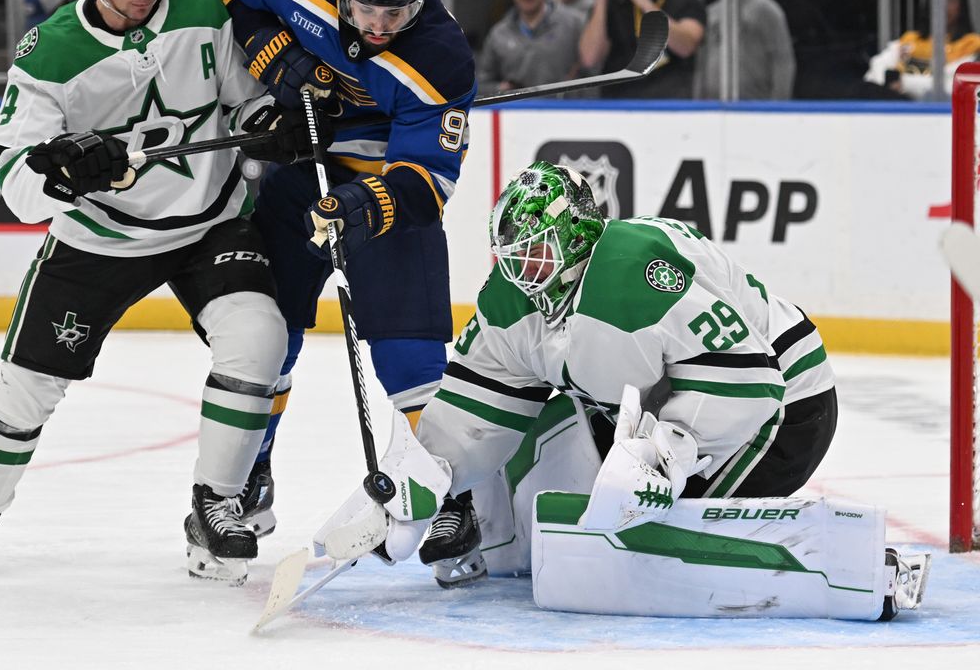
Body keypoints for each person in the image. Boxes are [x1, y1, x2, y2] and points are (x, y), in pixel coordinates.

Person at [0, 0, 310, 586]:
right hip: (102, 238)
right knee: (25, 387)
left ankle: (216, 504)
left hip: (210, 221)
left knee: (259, 337)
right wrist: (62, 172)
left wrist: (268, 121)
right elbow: (17, 185)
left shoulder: (204, 3)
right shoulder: (51, 52)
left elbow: (242, 97)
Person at [318, 161, 929, 620]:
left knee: (634, 541)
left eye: (537, 256)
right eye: (513, 260)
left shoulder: (635, 271)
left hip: (782, 407)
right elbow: (479, 409)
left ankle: (853, 570)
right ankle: (488, 529)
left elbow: (749, 383)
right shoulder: (511, 301)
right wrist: (419, 482)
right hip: (652, 404)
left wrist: (666, 456)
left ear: (578, 236)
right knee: (548, 512)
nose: (524, 276)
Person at [215, 0, 476, 537]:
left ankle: (453, 499)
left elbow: (427, 182)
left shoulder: (441, 57)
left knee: (410, 356)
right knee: (265, 331)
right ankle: (251, 472)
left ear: (418, 1)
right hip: (301, 169)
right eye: (364, 9)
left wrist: (364, 205)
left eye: (395, 12)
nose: (378, 27)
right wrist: (274, 52)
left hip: (382, 186)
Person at [694, 0, 796, 100]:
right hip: (713, 105)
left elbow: (783, 61)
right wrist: (698, 103)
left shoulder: (766, 10)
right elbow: (701, 64)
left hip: (755, 104)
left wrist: (778, 107)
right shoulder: (710, 12)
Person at [477, 0, 587, 96]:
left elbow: (593, 72)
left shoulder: (574, 24)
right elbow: (482, 84)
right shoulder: (498, 33)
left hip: (564, 109)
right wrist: (501, 88)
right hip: (516, 109)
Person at [864, 0, 980, 101]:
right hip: (898, 103)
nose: (942, 6)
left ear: (962, 6)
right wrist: (889, 82)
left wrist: (905, 83)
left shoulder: (972, 45)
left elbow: (953, 87)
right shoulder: (910, 40)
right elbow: (876, 70)